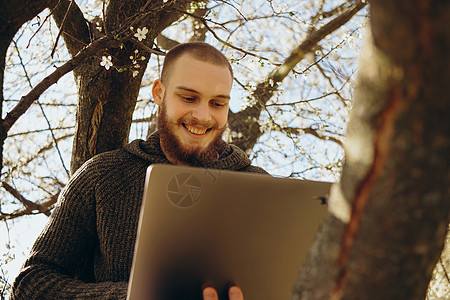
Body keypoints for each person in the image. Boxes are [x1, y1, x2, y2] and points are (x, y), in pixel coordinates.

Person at [11, 42, 268, 299]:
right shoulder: (103, 175)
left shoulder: (262, 189)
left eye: (217, 103)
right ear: (159, 93)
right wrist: (132, 296)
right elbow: (30, 283)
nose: (202, 115)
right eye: (188, 98)